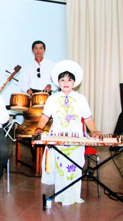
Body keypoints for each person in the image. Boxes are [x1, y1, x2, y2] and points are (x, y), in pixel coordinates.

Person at [34, 60, 99, 206]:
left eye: (69, 80)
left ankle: (74, 195)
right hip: (57, 136)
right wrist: (39, 128)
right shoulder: (52, 98)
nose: (66, 83)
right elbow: (44, 117)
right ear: (58, 82)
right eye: (62, 80)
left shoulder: (81, 99)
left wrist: (94, 131)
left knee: (74, 166)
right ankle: (61, 195)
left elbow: (88, 119)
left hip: (76, 137)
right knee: (61, 166)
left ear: (74, 82)